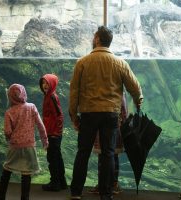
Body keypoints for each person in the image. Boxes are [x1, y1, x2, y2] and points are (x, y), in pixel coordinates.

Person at [69, 26, 143, 200]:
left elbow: (74, 92)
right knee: (108, 153)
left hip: (88, 113)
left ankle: (76, 192)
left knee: (83, 152)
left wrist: (74, 115)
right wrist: (138, 101)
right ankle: (106, 193)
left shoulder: (82, 62)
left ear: (96, 39)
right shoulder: (120, 63)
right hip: (111, 114)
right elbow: (135, 88)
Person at [0, 84, 48, 200]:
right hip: (29, 145)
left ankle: (1, 194)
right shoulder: (32, 107)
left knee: (7, 168)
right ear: (24, 93)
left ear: (10, 97)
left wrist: (9, 140)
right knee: (26, 172)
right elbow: (40, 125)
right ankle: (25, 198)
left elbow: (7, 131)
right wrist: (44, 140)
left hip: (15, 146)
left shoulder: (9, 112)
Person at [88, 94, 128, 195]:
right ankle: (104, 184)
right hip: (105, 125)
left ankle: (113, 184)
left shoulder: (119, 91)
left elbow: (123, 111)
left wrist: (123, 123)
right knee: (105, 156)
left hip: (114, 125)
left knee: (111, 155)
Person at [39, 74, 67, 192]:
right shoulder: (48, 96)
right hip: (51, 132)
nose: (45, 85)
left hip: (53, 133)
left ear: (52, 85)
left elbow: (59, 115)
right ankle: (62, 182)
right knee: (57, 157)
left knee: (52, 158)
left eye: (47, 83)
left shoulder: (51, 97)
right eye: (43, 83)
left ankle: (55, 183)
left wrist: (56, 132)